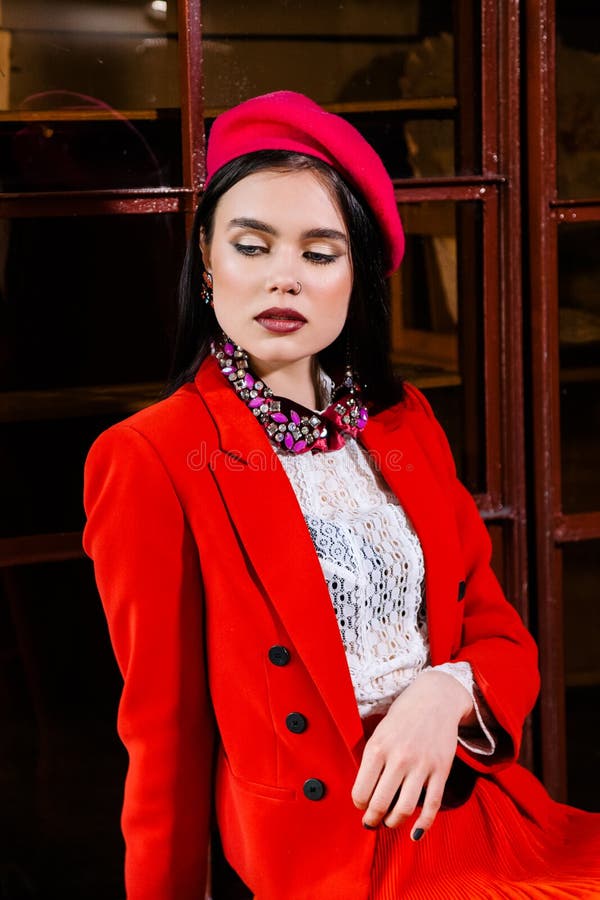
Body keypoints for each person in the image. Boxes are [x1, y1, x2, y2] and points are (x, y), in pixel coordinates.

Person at [83, 91, 600, 900]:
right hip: (330, 856)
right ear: (209, 265)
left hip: (474, 813)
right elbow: (163, 733)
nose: (283, 277)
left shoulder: (405, 423)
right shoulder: (150, 456)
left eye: (320, 254)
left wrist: (446, 691)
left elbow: (503, 638)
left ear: (356, 277)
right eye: (252, 246)